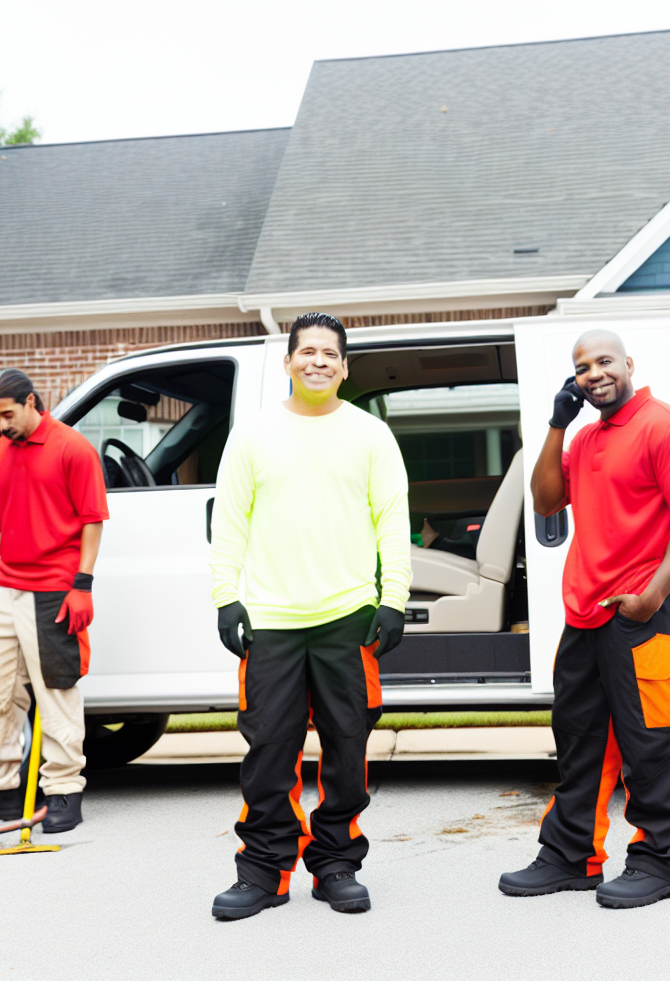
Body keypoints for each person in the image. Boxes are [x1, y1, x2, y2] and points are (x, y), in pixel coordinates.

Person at [499, 330, 670, 909]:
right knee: (579, 742)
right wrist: (556, 425)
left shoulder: (666, 427)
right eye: (582, 366)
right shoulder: (588, 438)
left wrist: (649, 595)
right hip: (586, 612)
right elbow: (546, 502)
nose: (594, 373)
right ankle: (571, 856)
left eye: (604, 361)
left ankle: (664, 860)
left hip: (645, 608)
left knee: (652, 741)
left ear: (628, 365)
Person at [207, 312, 412, 921]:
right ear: (290, 363)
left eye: (330, 353)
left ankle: (336, 863)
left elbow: (392, 520)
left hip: (347, 616)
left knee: (348, 749)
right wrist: (226, 598)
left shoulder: (371, 435)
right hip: (269, 618)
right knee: (269, 751)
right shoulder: (252, 434)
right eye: (308, 352)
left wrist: (393, 598)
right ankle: (264, 873)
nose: (318, 361)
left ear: (345, 368)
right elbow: (230, 521)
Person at [0, 368, 108, 833]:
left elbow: (93, 521)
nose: (1, 426)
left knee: (56, 693)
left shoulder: (72, 449)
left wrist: (83, 583)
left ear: (32, 402)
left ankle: (64, 792)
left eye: (7, 415)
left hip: (54, 589)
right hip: (8, 588)